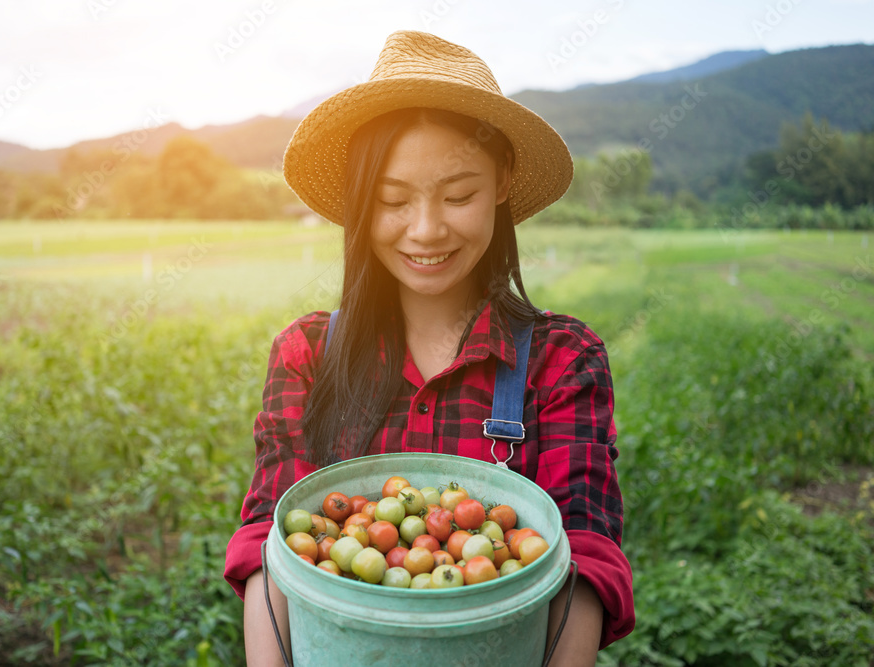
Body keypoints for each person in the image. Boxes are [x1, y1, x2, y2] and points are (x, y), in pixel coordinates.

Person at [224, 29, 634, 666]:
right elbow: (267, 548)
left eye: (459, 195)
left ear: (502, 182)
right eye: (392, 200)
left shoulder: (561, 360)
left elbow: (586, 552)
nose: (425, 229)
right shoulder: (307, 354)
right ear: (362, 203)